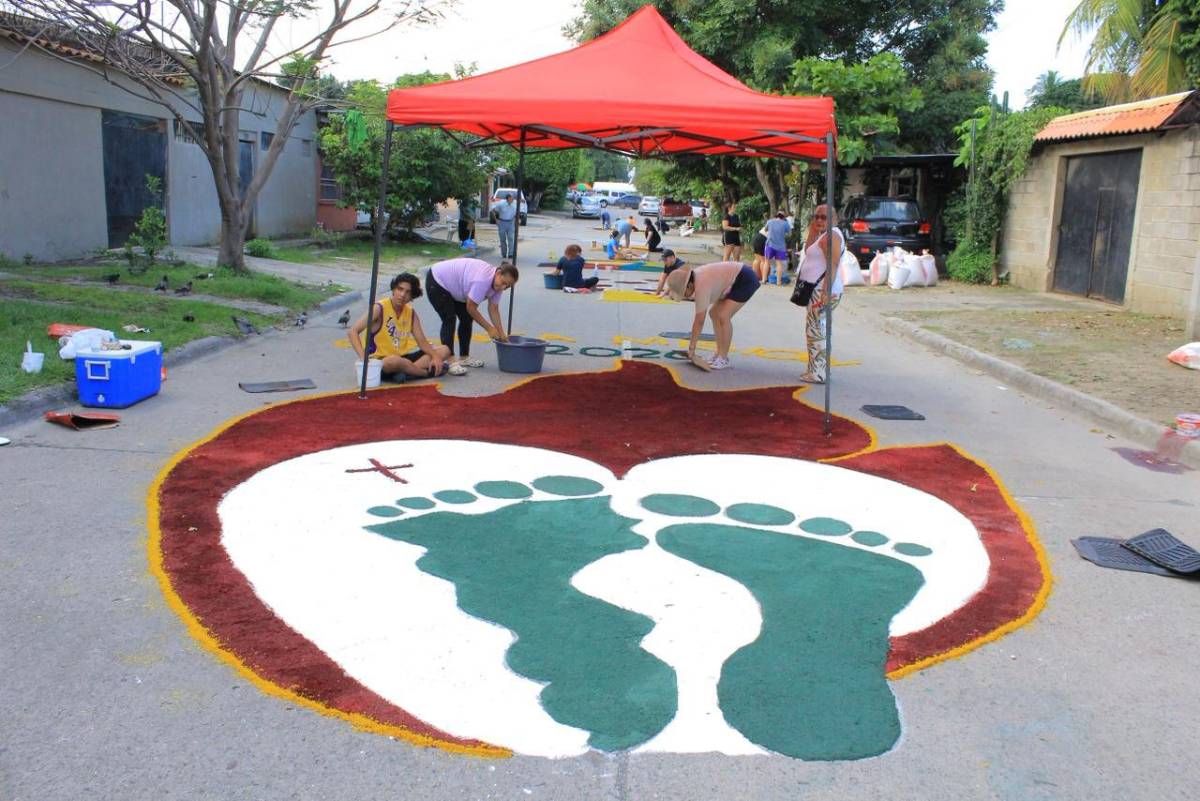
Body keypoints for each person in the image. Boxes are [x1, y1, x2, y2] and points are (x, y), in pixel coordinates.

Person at [424, 257, 518, 375]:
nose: (503, 288)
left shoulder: (498, 286)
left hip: (456, 288)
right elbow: (471, 307)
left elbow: (493, 308)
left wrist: (501, 333)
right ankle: (450, 360)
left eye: (508, 286)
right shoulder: (483, 280)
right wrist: (489, 328)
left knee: (466, 319)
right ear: (498, 273)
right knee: (449, 318)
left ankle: (464, 357)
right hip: (438, 280)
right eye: (503, 283)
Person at [348, 272, 449, 381]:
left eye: (407, 292)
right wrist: (364, 358)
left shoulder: (411, 313)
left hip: (402, 358)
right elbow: (353, 331)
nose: (402, 295)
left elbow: (422, 342)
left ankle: (407, 372)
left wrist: (436, 357)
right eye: (400, 289)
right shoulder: (379, 308)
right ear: (393, 290)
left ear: (412, 296)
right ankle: (424, 373)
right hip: (381, 362)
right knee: (394, 361)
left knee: (444, 350)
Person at [665, 260, 760, 370]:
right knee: (714, 313)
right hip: (734, 280)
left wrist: (692, 348)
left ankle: (723, 358)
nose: (685, 296)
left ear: (689, 285)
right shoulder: (697, 278)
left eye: (683, 293)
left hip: (745, 279)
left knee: (723, 316)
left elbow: (699, 321)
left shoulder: (702, 284)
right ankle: (718, 354)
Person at [797, 204, 845, 384]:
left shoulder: (831, 236)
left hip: (822, 291)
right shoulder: (823, 235)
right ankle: (817, 369)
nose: (818, 220)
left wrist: (825, 291)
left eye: (823, 217)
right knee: (815, 331)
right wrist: (813, 229)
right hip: (816, 290)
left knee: (816, 331)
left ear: (834, 219)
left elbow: (832, 264)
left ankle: (818, 373)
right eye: (816, 216)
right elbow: (808, 251)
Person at [764, 211, 792, 285]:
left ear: (776, 216)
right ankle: (778, 282)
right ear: (783, 217)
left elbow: (765, 230)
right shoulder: (785, 223)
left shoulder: (770, 221)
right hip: (780, 246)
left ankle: (764, 280)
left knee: (767, 262)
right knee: (779, 264)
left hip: (770, 245)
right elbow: (789, 234)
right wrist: (783, 234)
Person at [494, 194, 517, 258]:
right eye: (511, 198)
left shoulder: (514, 205)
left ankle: (511, 253)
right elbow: (493, 211)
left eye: (513, 198)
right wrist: (496, 220)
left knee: (511, 238)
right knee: (502, 238)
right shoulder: (501, 204)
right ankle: (504, 253)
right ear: (508, 198)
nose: (512, 199)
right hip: (502, 222)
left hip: (511, 222)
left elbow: (516, 214)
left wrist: (517, 221)